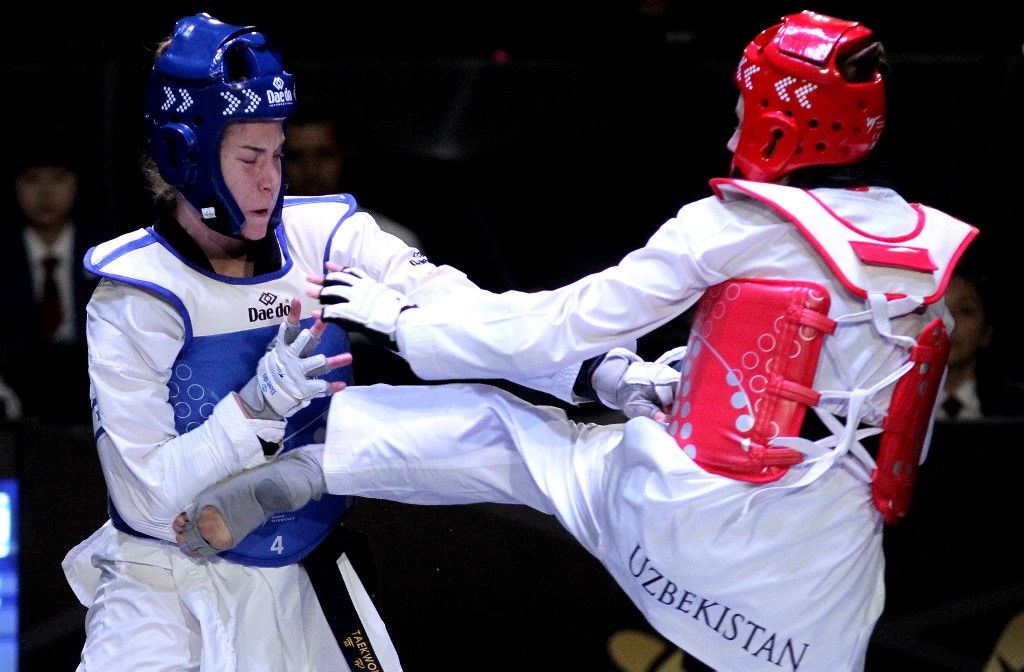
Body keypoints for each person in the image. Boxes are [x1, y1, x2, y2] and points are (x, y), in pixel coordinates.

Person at [175, 10, 978, 672]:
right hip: (824, 576)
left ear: (781, 115)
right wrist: (658, 384)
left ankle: (319, 461)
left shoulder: (731, 228)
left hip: (693, 524)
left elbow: (546, 332)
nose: (737, 119)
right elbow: (833, 411)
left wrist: (401, 319)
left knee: (520, 435)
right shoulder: (932, 258)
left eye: (745, 103)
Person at [63, 12, 652, 671]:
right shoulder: (137, 295)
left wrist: (598, 372)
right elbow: (145, 497)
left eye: (278, 153)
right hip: (165, 586)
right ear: (187, 155)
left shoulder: (323, 233)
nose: (272, 179)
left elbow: (462, 310)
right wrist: (253, 409)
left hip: (306, 573)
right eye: (250, 157)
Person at [0, 120, 99, 424]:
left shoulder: (103, 255)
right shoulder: (3, 257)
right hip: (16, 399)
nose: (45, 193)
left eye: (58, 179)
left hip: (92, 397)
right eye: (32, 180)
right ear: (15, 186)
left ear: (76, 183)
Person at [285, 109, 423, 249]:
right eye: (295, 157)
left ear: (346, 155)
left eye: (324, 155)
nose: (311, 170)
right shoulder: (266, 242)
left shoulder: (394, 242)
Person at [936, 270, 1024, 420]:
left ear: (986, 332)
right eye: (938, 310)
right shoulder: (889, 409)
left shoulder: (1016, 409)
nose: (949, 323)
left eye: (966, 311)